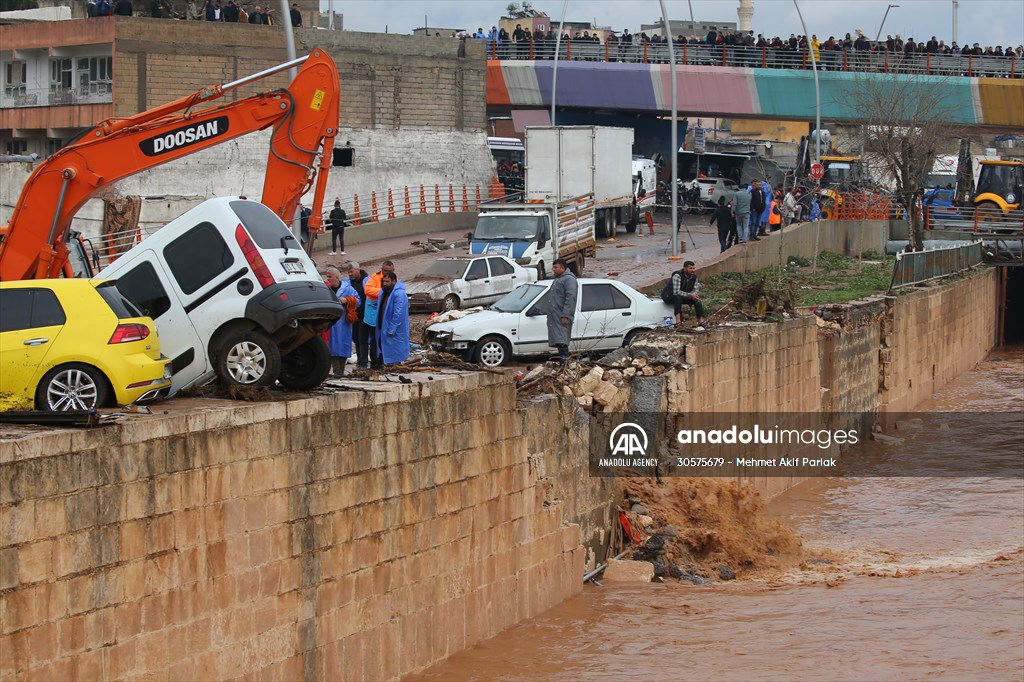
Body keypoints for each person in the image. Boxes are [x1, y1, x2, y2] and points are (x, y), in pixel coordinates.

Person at [323, 267, 359, 377]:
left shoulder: (347, 289)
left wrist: (347, 300)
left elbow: (358, 300)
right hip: (330, 322)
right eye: (327, 276)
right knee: (331, 346)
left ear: (337, 277)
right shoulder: (325, 289)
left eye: (330, 276)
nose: (328, 279)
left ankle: (340, 371)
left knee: (343, 346)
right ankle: (336, 371)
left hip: (343, 323)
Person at [363, 260, 395, 369]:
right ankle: (374, 362)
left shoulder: (395, 279)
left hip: (385, 314)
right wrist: (383, 291)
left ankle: (384, 360)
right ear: (381, 270)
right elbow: (368, 290)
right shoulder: (374, 278)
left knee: (385, 339)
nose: (387, 273)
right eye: (385, 270)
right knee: (374, 339)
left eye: (389, 271)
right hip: (374, 314)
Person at [376, 271, 410, 366]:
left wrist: (392, 328)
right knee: (385, 350)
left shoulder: (399, 294)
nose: (385, 284)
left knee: (394, 351)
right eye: (384, 281)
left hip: (393, 329)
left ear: (394, 281)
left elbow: (398, 314)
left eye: (387, 282)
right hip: (383, 326)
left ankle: (394, 368)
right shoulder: (384, 292)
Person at [547, 258, 577, 363]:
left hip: (561, 316)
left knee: (562, 340)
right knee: (559, 341)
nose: (553, 270)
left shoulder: (569, 280)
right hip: (555, 316)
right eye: (553, 267)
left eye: (556, 267)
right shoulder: (558, 279)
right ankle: (562, 364)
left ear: (563, 268)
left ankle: (564, 364)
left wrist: (565, 315)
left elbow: (571, 298)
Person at [346, 261, 371, 368]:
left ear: (357, 270)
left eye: (351, 272)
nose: (350, 274)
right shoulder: (350, 283)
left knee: (363, 339)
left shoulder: (366, 281)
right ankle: (360, 360)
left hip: (364, 315)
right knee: (356, 338)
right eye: (348, 272)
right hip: (354, 315)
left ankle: (363, 362)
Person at [670, 260, 705, 329]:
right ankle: (678, 321)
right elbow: (676, 291)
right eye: (690, 268)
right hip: (670, 296)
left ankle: (701, 321)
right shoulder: (677, 275)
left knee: (697, 300)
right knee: (678, 297)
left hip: (685, 295)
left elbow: (695, 289)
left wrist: (694, 295)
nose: (692, 270)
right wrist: (690, 295)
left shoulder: (694, 276)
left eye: (693, 268)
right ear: (685, 269)